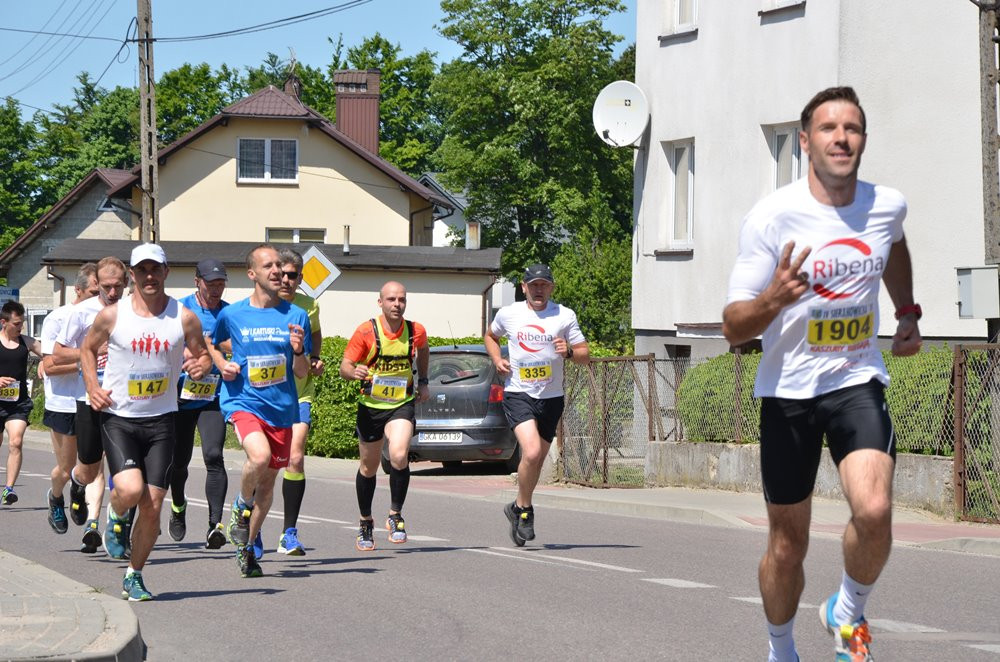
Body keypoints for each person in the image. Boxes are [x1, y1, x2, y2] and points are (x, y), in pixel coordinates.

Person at [721, 87, 921, 662]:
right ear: (806, 142)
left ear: (863, 139)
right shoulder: (773, 217)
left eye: (852, 128)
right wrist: (774, 299)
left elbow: (895, 246)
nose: (841, 138)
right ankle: (780, 646)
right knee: (788, 546)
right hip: (788, 394)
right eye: (828, 129)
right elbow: (734, 325)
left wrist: (906, 312)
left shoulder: (887, 205)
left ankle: (848, 612)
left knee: (876, 510)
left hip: (856, 378)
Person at [81, 243, 211, 601]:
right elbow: (87, 349)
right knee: (129, 491)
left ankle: (134, 574)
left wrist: (203, 365)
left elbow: (202, 355)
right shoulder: (113, 315)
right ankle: (117, 515)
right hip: (119, 418)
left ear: (166, 272)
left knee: (153, 503)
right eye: (142, 271)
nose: (149, 277)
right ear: (133, 275)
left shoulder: (183, 317)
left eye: (156, 270)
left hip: (162, 420)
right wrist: (93, 386)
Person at [210, 244, 311, 578]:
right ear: (252, 273)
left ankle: (246, 547)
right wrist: (222, 363)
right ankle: (240, 504)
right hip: (243, 401)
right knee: (258, 456)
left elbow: (301, 372)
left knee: (266, 489)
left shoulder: (295, 315)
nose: (277, 271)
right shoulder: (233, 314)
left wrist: (298, 351)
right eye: (269, 266)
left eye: (280, 266)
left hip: (282, 409)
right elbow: (213, 341)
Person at [485, 264, 589, 546]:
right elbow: (490, 336)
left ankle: (517, 506)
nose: (538, 289)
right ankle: (526, 511)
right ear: (524, 287)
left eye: (544, 285)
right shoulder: (509, 314)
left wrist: (568, 351)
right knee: (530, 452)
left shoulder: (564, 315)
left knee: (536, 461)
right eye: (533, 285)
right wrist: (497, 360)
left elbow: (584, 354)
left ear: (551, 287)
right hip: (519, 393)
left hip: (551, 398)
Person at [339, 281, 429, 551]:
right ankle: (366, 522)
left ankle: (395, 515)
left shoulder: (416, 331)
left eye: (401, 299)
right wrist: (353, 372)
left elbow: (423, 351)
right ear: (380, 302)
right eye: (391, 299)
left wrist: (423, 380)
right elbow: (345, 365)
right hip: (370, 406)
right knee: (368, 466)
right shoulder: (366, 331)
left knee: (399, 454)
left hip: (401, 403)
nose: (397, 304)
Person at [55, 257, 128, 555]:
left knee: (125, 471)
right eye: (106, 287)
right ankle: (76, 483)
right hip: (88, 398)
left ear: (127, 283)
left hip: (125, 400)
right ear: (96, 283)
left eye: (118, 286)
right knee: (88, 466)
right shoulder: (82, 311)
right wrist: (90, 350)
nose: (112, 292)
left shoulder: (133, 310)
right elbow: (58, 353)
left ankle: (120, 530)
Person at [39, 263, 108, 550]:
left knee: (96, 465)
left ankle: (92, 525)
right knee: (66, 469)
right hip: (64, 402)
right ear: (78, 290)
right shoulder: (59, 318)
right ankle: (56, 496)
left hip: (94, 399)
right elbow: (49, 365)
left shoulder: (111, 315)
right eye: (95, 290)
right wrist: (88, 357)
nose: (100, 295)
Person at [169, 258, 230, 549]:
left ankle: (214, 525)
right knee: (178, 462)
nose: (216, 288)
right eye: (211, 283)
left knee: (214, 455)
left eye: (220, 283)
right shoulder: (179, 310)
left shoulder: (229, 314)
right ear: (197, 282)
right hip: (181, 397)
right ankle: (178, 507)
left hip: (213, 397)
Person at [271, 248, 324, 556]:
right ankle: (249, 520)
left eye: (293, 275)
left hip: (300, 393)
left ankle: (289, 532)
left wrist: (315, 358)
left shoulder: (308, 305)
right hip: (266, 397)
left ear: (301, 278)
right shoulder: (261, 307)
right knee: (264, 464)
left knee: (295, 457)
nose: (287, 280)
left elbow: (316, 334)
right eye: (283, 275)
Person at [0, 300, 43, 505]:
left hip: (18, 404)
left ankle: (8, 490)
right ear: (4, 322)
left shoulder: (26, 342)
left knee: (16, 441)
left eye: (22, 322)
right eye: (16, 323)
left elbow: (50, 354)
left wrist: (44, 362)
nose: (21, 327)